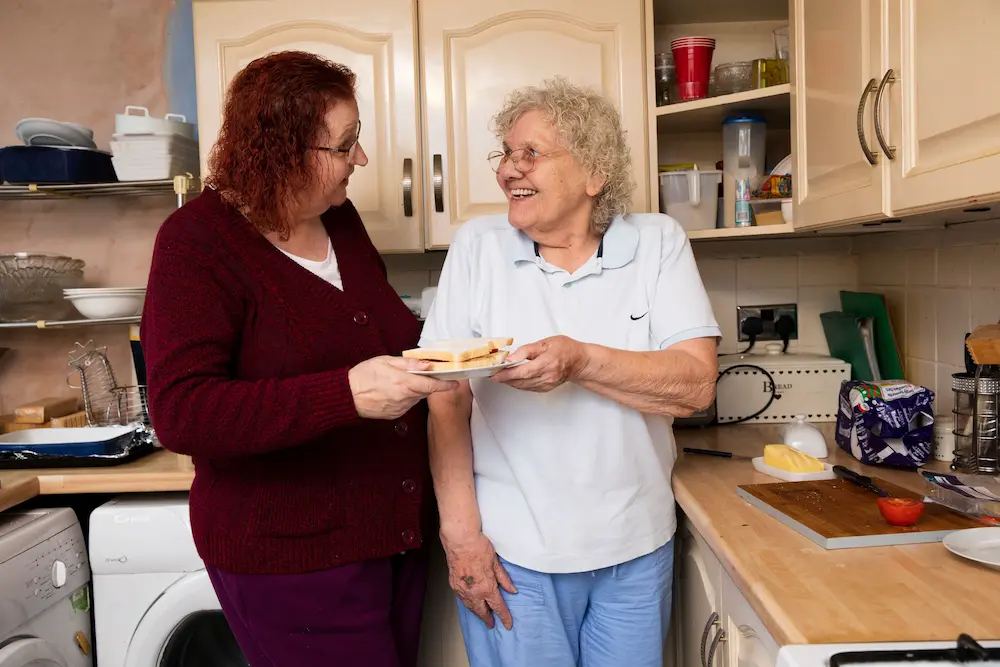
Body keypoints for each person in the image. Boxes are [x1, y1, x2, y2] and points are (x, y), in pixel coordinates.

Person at [141, 51, 456, 667]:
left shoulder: (337, 219)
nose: (359, 160)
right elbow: (182, 412)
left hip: (390, 533)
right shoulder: (195, 244)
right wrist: (346, 395)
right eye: (346, 145)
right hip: (292, 559)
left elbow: (379, 329)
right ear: (284, 152)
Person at [422, 78, 721, 667]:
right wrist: (460, 539)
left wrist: (580, 361)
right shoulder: (478, 248)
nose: (510, 169)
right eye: (506, 154)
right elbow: (446, 394)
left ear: (594, 174)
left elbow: (696, 384)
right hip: (512, 554)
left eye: (530, 153)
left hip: (636, 546)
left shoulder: (658, 244)